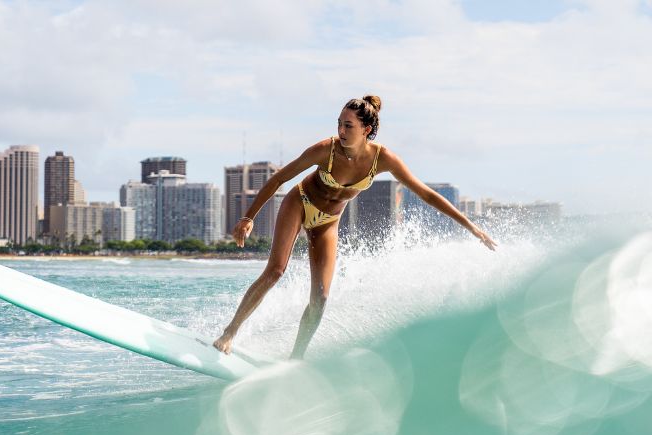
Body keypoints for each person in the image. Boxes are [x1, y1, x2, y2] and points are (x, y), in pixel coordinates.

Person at [212, 95, 497, 359]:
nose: (341, 130)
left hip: (328, 223)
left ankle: (295, 359)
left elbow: (426, 194)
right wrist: (248, 218)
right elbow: (279, 179)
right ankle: (229, 332)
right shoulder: (325, 150)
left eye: (348, 125)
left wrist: (472, 228)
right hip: (300, 203)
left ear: (367, 129)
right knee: (276, 271)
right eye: (339, 124)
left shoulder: (383, 159)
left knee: (321, 297)